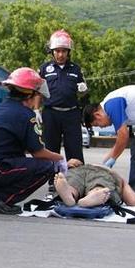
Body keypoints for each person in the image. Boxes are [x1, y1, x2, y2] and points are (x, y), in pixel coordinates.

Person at [0, 67, 66, 214]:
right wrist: (59, 159)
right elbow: (38, 153)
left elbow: (22, 145)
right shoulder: (26, 115)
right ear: (31, 95)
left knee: (19, 158)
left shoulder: (0, 109)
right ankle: (1, 198)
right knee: (46, 167)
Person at [39, 29, 87, 193]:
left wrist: (83, 90)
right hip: (50, 113)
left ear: (68, 52)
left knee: (74, 148)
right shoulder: (45, 68)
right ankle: (53, 182)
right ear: (52, 51)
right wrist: (36, 111)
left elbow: (82, 91)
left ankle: (77, 183)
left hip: (72, 113)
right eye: (57, 51)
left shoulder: (76, 69)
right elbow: (38, 91)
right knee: (51, 148)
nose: (60, 54)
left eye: (64, 51)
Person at [54, 159, 135, 207]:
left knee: (73, 181)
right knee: (100, 182)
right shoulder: (117, 177)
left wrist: (70, 164)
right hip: (103, 171)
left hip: (79, 169)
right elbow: (133, 200)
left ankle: (70, 194)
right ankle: (95, 193)